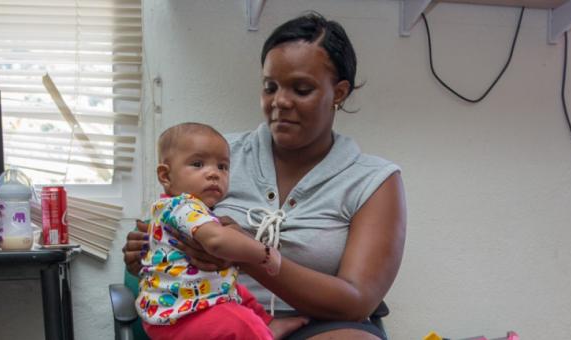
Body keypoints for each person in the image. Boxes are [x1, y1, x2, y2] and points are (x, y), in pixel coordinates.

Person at [125, 12, 406, 340]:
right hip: (215, 317)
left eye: (301, 89)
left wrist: (250, 257)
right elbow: (165, 229)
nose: (280, 102)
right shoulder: (216, 158)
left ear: (339, 93)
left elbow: (356, 302)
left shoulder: (373, 181)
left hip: (315, 327)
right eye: (270, 87)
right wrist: (147, 254)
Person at [138, 122, 309, 340]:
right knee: (241, 323)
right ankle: (262, 333)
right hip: (180, 315)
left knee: (234, 287)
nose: (213, 174)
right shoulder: (183, 206)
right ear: (165, 176)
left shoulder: (185, 209)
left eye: (222, 167)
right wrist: (264, 253)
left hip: (189, 303)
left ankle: (268, 323)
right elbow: (217, 241)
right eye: (198, 164)